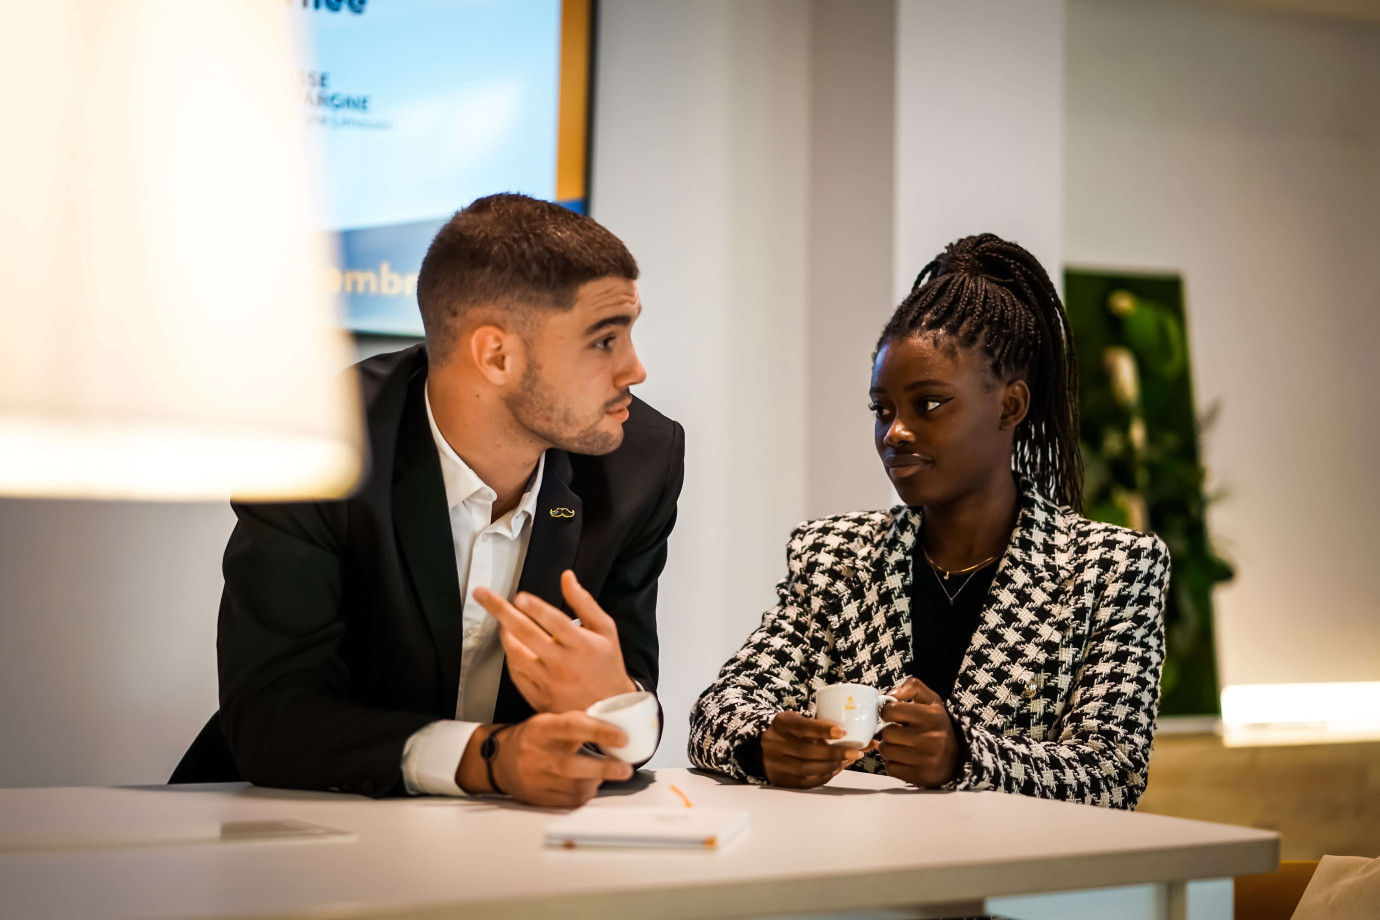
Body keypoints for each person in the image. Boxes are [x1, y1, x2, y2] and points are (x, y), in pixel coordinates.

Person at [174, 194, 685, 808]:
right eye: (604, 341)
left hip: (511, 835)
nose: (635, 369)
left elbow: (631, 710)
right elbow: (271, 714)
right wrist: (486, 759)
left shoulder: (639, 462)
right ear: (496, 355)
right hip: (292, 820)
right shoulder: (314, 446)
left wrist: (617, 703)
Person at [689, 233, 1168, 810]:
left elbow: (1113, 772)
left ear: (1010, 406)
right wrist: (763, 743)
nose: (895, 431)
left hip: (1013, 869)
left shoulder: (1112, 568)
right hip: (854, 864)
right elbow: (718, 710)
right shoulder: (837, 556)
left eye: (930, 403)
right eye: (882, 409)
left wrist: (965, 757)